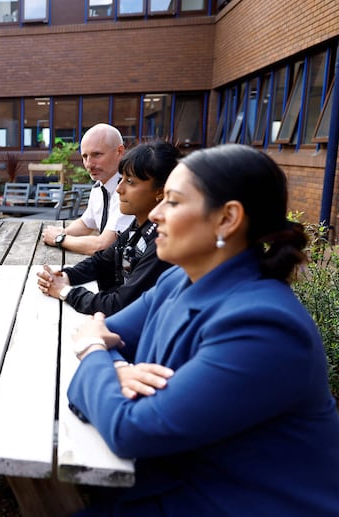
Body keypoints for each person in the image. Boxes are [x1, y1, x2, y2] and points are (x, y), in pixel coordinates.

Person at [67, 144, 339, 515]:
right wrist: (117, 369)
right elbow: (101, 333)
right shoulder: (177, 281)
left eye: (174, 202)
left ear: (227, 218)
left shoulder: (265, 328)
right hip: (167, 488)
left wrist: (96, 356)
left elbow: (131, 429)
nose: (156, 213)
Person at [36, 141, 178, 315]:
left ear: (160, 192)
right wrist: (65, 276)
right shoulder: (139, 225)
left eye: (130, 182)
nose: (119, 189)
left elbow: (119, 304)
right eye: (121, 179)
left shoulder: (161, 241)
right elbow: (102, 260)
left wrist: (65, 291)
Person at [41, 123, 133, 255]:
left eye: (97, 155)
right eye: (85, 156)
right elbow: (86, 224)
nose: (89, 164)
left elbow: (103, 245)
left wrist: (59, 238)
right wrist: (62, 232)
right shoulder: (98, 187)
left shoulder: (129, 191)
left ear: (119, 152)